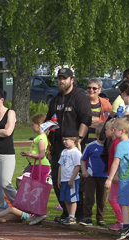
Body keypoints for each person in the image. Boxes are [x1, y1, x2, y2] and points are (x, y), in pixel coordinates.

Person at [46, 68, 92, 222]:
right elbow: (48, 122)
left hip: (75, 147)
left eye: (64, 78)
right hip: (58, 146)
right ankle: (66, 212)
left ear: (72, 79)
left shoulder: (79, 97)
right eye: (59, 78)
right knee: (58, 179)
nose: (61, 81)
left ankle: (79, 214)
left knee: (76, 181)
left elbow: (86, 119)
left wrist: (78, 140)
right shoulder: (56, 99)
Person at [106, 117, 129, 240]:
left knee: (123, 202)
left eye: (115, 129)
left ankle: (126, 226)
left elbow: (116, 163)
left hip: (125, 177)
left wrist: (109, 178)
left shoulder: (121, 145)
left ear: (122, 131)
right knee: (128, 200)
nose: (113, 131)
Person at [19, 113, 53, 225]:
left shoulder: (42, 138)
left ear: (39, 125)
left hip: (40, 165)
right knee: (34, 189)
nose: (31, 126)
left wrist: (28, 154)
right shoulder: (39, 137)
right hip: (36, 165)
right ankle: (36, 212)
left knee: (39, 189)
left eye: (33, 124)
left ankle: (41, 212)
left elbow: (42, 155)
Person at [79, 122, 108, 227]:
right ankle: (87, 217)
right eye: (100, 135)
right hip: (91, 176)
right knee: (89, 197)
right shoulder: (91, 146)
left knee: (102, 198)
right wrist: (84, 171)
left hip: (104, 176)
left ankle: (100, 218)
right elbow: (83, 159)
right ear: (97, 135)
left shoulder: (108, 146)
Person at [58, 136, 82, 225]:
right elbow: (60, 165)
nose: (64, 141)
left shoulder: (76, 152)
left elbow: (77, 167)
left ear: (73, 140)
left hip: (72, 179)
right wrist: (59, 178)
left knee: (72, 198)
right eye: (63, 139)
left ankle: (72, 216)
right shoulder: (64, 152)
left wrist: (72, 179)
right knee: (65, 199)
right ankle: (69, 215)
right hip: (64, 178)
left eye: (66, 140)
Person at [85, 78, 112, 144]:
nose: (91, 90)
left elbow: (111, 122)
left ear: (100, 90)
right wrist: (88, 122)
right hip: (83, 141)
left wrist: (100, 123)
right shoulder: (82, 102)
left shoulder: (106, 104)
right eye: (89, 88)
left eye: (94, 88)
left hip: (99, 142)